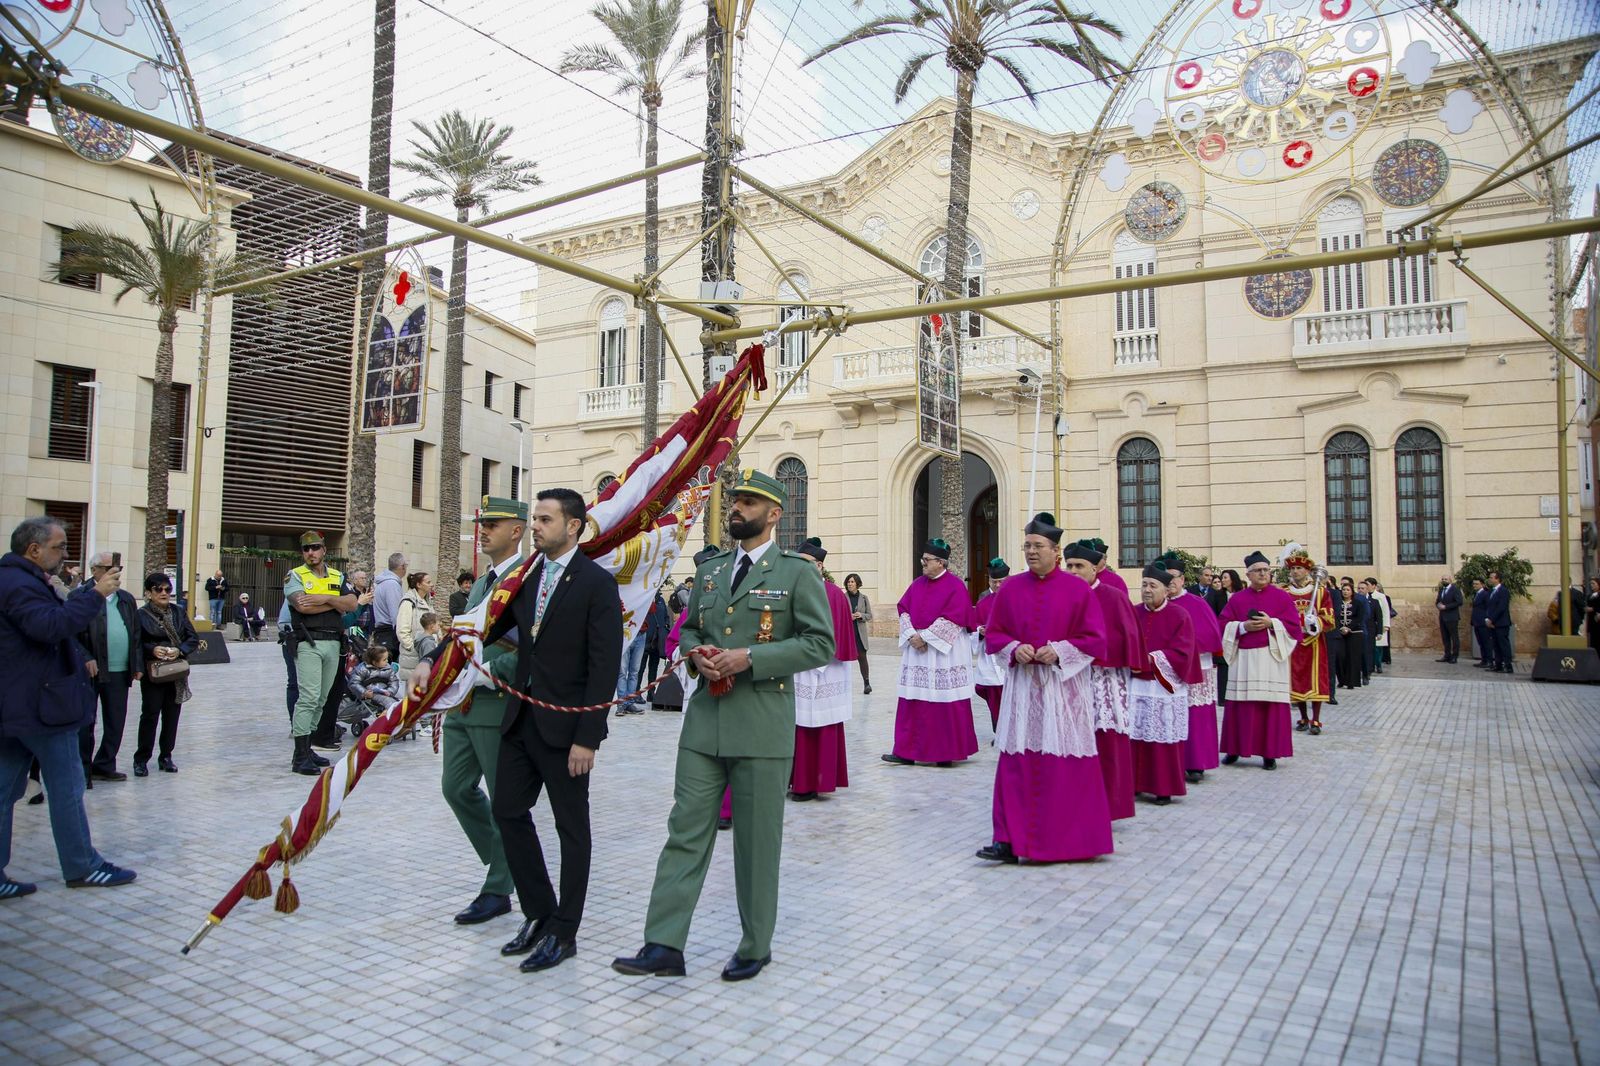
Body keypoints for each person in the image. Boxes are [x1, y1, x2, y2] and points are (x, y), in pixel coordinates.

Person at [613, 470, 833, 982]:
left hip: (761, 727)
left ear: (774, 514)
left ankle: (756, 944)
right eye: (735, 500)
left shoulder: (797, 574)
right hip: (704, 725)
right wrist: (696, 655)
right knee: (685, 832)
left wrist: (749, 657)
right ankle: (663, 944)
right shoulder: (710, 572)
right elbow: (689, 629)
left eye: (750, 502)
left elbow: (820, 644)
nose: (737, 508)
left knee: (757, 843)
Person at [417, 488, 623, 974]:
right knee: (509, 812)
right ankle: (538, 912)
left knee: (572, 830)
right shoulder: (525, 576)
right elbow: (479, 627)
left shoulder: (596, 583)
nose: (537, 526)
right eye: (536, 519)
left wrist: (588, 737)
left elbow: (604, 666)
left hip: (566, 728)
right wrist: (431, 661)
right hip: (520, 721)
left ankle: (564, 931)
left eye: (546, 520)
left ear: (573, 526)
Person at [1, 516, 137, 897]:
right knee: (67, 786)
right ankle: (82, 866)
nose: (64, 554)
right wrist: (94, 595)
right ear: (34, 549)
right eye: (59, 547)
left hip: (19, 703)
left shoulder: (18, 580)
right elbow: (50, 627)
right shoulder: (19, 585)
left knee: (6, 790)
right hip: (41, 706)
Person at [977, 513, 1110, 863]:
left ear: (1056, 550)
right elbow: (994, 634)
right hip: (1022, 689)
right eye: (1027, 546)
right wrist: (1012, 648)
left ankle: (1067, 842)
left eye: (1038, 546)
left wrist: (1060, 650)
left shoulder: (1077, 589)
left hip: (1061, 691)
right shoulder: (1011, 589)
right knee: (1015, 761)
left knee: (1063, 764)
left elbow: (1096, 639)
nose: (1032, 552)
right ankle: (1007, 839)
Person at [438, 497, 525, 930]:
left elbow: (533, 645)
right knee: (455, 788)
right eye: (481, 522)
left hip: (496, 702)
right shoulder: (481, 582)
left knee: (505, 798)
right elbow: (464, 634)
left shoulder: (526, 578)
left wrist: (491, 673)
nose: (484, 529)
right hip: (462, 702)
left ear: (518, 530)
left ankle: (497, 888)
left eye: (493, 523)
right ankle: (507, 864)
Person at [882, 538, 978, 768]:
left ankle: (944, 753)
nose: (922, 563)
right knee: (913, 700)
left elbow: (955, 619)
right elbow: (903, 608)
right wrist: (912, 635)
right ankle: (906, 751)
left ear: (941, 562)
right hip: (918, 651)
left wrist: (924, 638)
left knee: (943, 702)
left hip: (943, 654)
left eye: (927, 560)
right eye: (922, 559)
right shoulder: (917, 584)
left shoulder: (955, 586)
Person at [1063, 539, 1140, 822]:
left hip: (1103, 680)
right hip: (1070, 679)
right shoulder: (1062, 595)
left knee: (1106, 740)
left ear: (1095, 569)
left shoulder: (1113, 597)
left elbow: (1125, 638)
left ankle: (1109, 805)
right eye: (1069, 565)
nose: (1073, 571)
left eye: (1079, 566)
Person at [1219, 550, 1303, 770]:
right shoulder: (1237, 599)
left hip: (1271, 659)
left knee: (1269, 708)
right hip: (1244, 660)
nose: (1263, 574)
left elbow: (1295, 628)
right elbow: (1222, 625)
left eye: (1266, 570)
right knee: (1240, 707)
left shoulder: (1282, 597)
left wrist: (1272, 623)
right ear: (1248, 574)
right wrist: (1242, 627)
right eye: (1258, 571)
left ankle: (1270, 754)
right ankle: (1234, 749)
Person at [789, 538, 856, 801]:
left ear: (818, 565)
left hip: (827, 670)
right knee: (796, 725)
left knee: (823, 724)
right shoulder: (791, 589)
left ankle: (817, 781)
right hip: (797, 667)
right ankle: (794, 779)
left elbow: (837, 633)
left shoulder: (834, 594)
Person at [285, 531, 357, 775]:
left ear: (324, 550)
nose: (311, 553)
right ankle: (299, 755)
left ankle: (308, 747)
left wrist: (324, 598)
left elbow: (353, 603)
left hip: (333, 642)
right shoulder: (295, 575)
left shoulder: (337, 575)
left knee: (322, 699)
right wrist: (336, 602)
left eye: (315, 548)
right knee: (308, 697)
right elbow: (301, 605)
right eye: (306, 549)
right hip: (309, 642)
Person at [1130, 563, 1200, 805]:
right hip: (1136, 685)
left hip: (1164, 686)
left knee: (1162, 739)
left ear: (1167, 590)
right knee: (1135, 737)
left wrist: (1149, 659)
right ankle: (1135, 783)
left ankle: (1163, 787)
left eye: (1152, 585)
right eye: (1144, 585)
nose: (1147, 590)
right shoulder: (1134, 612)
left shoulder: (1180, 616)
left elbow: (1183, 652)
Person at [76, 552, 141, 783]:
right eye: (108, 568)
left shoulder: (125, 598)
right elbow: (69, 633)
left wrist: (136, 663)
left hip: (120, 670)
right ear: (95, 571)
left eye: (117, 568)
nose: (115, 572)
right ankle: (83, 769)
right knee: (86, 722)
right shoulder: (80, 596)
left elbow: (135, 633)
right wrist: (84, 656)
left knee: (116, 720)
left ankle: (104, 764)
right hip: (90, 671)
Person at [1160, 554, 1224, 784]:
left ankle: (1196, 762)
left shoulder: (1197, 603)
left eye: (1174, 578)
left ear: (1183, 579)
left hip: (1195, 666)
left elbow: (1211, 635)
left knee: (1195, 714)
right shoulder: (1156, 606)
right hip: (1166, 670)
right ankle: (1171, 763)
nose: (1170, 583)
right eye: (1164, 579)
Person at [132, 573, 198, 776]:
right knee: (150, 715)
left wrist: (180, 650)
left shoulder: (178, 612)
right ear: (149, 593)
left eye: (167, 589)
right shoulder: (141, 615)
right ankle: (141, 759)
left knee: (172, 715)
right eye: (158, 589)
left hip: (175, 672)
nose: (163, 593)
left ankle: (166, 756)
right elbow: (136, 642)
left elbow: (192, 637)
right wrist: (153, 649)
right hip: (154, 672)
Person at [1282, 549, 1333, 733]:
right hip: (1294, 641)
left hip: (1314, 642)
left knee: (1316, 679)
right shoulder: (1285, 592)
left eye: (1299, 568)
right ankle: (1303, 717)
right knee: (1297, 679)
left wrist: (1316, 621)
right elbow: (1281, 615)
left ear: (1307, 571)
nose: (1295, 571)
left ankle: (1316, 719)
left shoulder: (1320, 592)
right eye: (1293, 568)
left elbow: (1329, 617)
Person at [971, 558, 1010, 731]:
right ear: (989, 581)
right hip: (990, 658)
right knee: (993, 694)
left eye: (1002, 581)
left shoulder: (1016, 600)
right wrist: (980, 632)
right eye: (994, 582)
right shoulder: (983, 603)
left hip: (1011, 656)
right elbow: (973, 628)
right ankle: (999, 729)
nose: (998, 585)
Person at [340, 643, 398, 736]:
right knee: (389, 703)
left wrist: (390, 691)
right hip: (370, 693)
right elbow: (353, 683)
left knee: (398, 702)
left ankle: (400, 722)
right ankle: (387, 722)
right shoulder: (363, 669)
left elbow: (394, 681)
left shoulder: (388, 668)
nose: (387, 661)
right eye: (384, 659)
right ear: (375, 662)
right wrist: (364, 692)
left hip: (386, 692)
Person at [1331, 578, 1367, 699]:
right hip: (1340, 632)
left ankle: (1351, 681)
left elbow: (1359, 618)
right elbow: (1335, 616)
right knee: (1340, 657)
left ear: (1352, 591)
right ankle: (1342, 679)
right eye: (1343, 590)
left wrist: (1349, 627)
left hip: (1354, 632)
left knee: (1352, 657)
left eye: (1347, 590)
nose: (1345, 592)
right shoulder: (1338, 603)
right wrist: (1341, 628)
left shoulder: (1358, 603)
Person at [372, 552, 406, 660]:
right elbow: (396, 614)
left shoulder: (383, 582)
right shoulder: (392, 584)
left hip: (382, 632)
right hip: (389, 632)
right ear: (402, 567)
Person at [843, 574, 873, 694]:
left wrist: (861, 615)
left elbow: (869, 615)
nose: (850, 584)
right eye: (848, 582)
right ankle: (843, 685)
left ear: (857, 584)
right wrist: (847, 617)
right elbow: (837, 614)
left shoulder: (864, 598)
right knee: (843, 660)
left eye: (852, 582)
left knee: (862, 658)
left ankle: (867, 683)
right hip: (847, 633)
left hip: (859, 633)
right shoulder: (842, 597)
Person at [1484, 569, 1513, 674]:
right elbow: (1490, 607)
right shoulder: (1492, 591)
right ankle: (1498, 664)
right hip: (1493, 624)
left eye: (1492, 577)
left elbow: (1501, 607)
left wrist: (1492, 619)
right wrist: (1488, 618)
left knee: (1503, 645)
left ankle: (1508, 666)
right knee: (1495, 645)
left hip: (1501, 623)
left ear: (1498, 579)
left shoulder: (1503, 591)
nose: (1490, 579)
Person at [1436, 573, 1463, 664]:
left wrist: (1446, 607)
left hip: (1452, 617)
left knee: (1454, 637)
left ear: (1450, 580)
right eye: (1443, 579)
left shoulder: (1455, 589)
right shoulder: (1441, 590)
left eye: (1446, 579)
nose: (1444, 581)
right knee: (1445, 637)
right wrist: (1438, 605)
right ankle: (1447, 655)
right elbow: (1438, 601)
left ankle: (1454, 656)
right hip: (1442, 617)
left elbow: (1459, 602)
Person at [1368, 579, 1393, 670]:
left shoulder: (1381, 596)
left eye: (1368, 584)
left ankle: (1378, 664)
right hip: (1369, 625)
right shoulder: (1364, 596)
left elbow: (1386, 611)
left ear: (1374, 586)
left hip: (1378, 624)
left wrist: (1386, 625)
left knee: (1378, 646)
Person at [1469, 577, 1490, 666]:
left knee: (1486, 642)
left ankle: (1488, 661)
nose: (1474, 585)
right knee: (1481, 642)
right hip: (1477, 622)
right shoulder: (1477, 594)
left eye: (1477, 584)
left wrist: (1487, 619)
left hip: (1483, 622)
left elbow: (1488, 607)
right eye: (1473, 584)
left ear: (1482, 584)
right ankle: (1484, 660)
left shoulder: (1485, 594)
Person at [1587, 577, 1600, 653]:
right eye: (1591, 583)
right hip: (1593, 622)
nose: (1591, 585)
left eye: (1593, 583)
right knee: (1593, 644)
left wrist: (1593, 609)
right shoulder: (1590, 596)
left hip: (1598, 621)